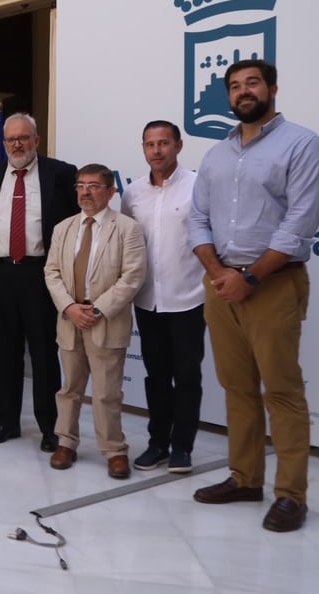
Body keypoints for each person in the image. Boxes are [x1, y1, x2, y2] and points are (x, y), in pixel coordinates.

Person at [188, 59, 319, 533]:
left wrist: (252, 277)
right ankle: (245, 478)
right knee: (237, 388)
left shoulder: (302, 144)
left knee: (282, 391)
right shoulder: (217, 154)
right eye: (236, 86)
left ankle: (291, 494)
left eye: (252, 83)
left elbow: (300, 221)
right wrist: (221, 272)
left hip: (274, 283)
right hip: (221, 283)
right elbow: (197, 219)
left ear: (272, 89)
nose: (244, 92)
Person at [0, 113, 78, 452]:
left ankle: (51, 428)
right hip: (0, 273)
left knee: (44, 353)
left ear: (37, 140)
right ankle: (7, 422)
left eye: (23, 138)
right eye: (10, 140)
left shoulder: (60, 173)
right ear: (3, 144)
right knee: (5, 352)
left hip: (41, 273)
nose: (16, 144)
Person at [44, 164, 147, 479]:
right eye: (81, 186)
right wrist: (70, 307)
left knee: (106, 393)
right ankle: (66, 442)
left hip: (105, 320)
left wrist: (97, 309)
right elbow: (52, 272)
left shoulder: (127, 228)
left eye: (94, 186)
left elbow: (133, 277)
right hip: (70, 319)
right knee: (69, 389)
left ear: (111, 191)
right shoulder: (63, 228)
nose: (86, 192)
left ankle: (114, 451)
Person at [119, 120, 206, 473]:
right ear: (143, 149)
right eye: (150, 144)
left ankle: (182, 447)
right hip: (147, 299)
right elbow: (126, 243)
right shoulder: (133, 193)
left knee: (186, 375)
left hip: (189, 296)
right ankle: (158, 443)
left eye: (163, 143)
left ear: (178, 146)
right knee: (156, 376)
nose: (157, 151)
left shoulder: (198, 187)